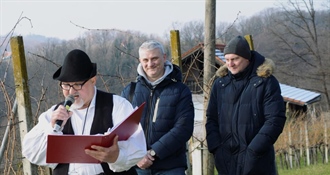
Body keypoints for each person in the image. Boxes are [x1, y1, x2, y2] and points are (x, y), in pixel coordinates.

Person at [22, 49, 147, 175]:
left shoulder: (117, 105)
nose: (71, 92)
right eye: (66, 85)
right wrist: (51, 129)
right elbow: (31, 152)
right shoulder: (54, 113)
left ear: (93, 80)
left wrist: (117, 157)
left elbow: (138, 148)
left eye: (77, 85)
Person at [205, 36, 286, 175]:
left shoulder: (266, 82)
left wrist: (253, 151)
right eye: (227, 59)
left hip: (258, 162)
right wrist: (216, 149)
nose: (230, 64)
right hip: (226, 161)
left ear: (247, 58)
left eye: (235, 59)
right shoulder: (220, 85)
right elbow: (211, 119)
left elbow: (275, 120)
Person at [121, 40, 194, 175]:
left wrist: (154, 152)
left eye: (154, 58)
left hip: (171, 167)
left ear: (164, 57)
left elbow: (183, 128)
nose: (150, 64)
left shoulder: (180, 90)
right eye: (146, 60)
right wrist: (136, 156)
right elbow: (121, 129)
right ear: (140, 60)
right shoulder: (129, 92)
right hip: (136, 168)